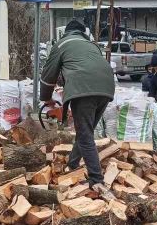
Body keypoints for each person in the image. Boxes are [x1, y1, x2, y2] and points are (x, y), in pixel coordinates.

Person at [40, 19, 116, 191]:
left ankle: (97, 180)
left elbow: (48, 75)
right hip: (107, 88)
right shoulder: (92, 45)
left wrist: (46, 98)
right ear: (83, 32)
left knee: (85, 135)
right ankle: (72, 164)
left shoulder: (61, 44)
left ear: (66, 32)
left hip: (83, 88)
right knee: (85, 132)